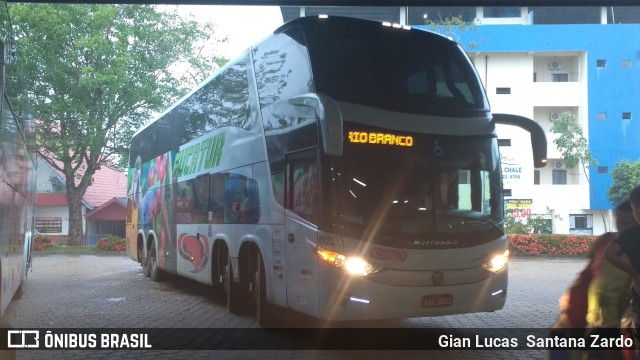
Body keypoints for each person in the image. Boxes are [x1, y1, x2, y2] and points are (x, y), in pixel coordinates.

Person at [549, 199, 636, 360]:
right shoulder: (606, 241)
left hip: (621, 325)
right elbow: (588, 274)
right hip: (592, 319)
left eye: (628, 223)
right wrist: (571, 303)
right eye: (619, 222)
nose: (622, 228)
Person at [605, 186, 640, 360]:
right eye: (618, 222)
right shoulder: (627, 235)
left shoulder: (631, 236)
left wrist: (634, 275)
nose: (621, 227)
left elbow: (609, 254)